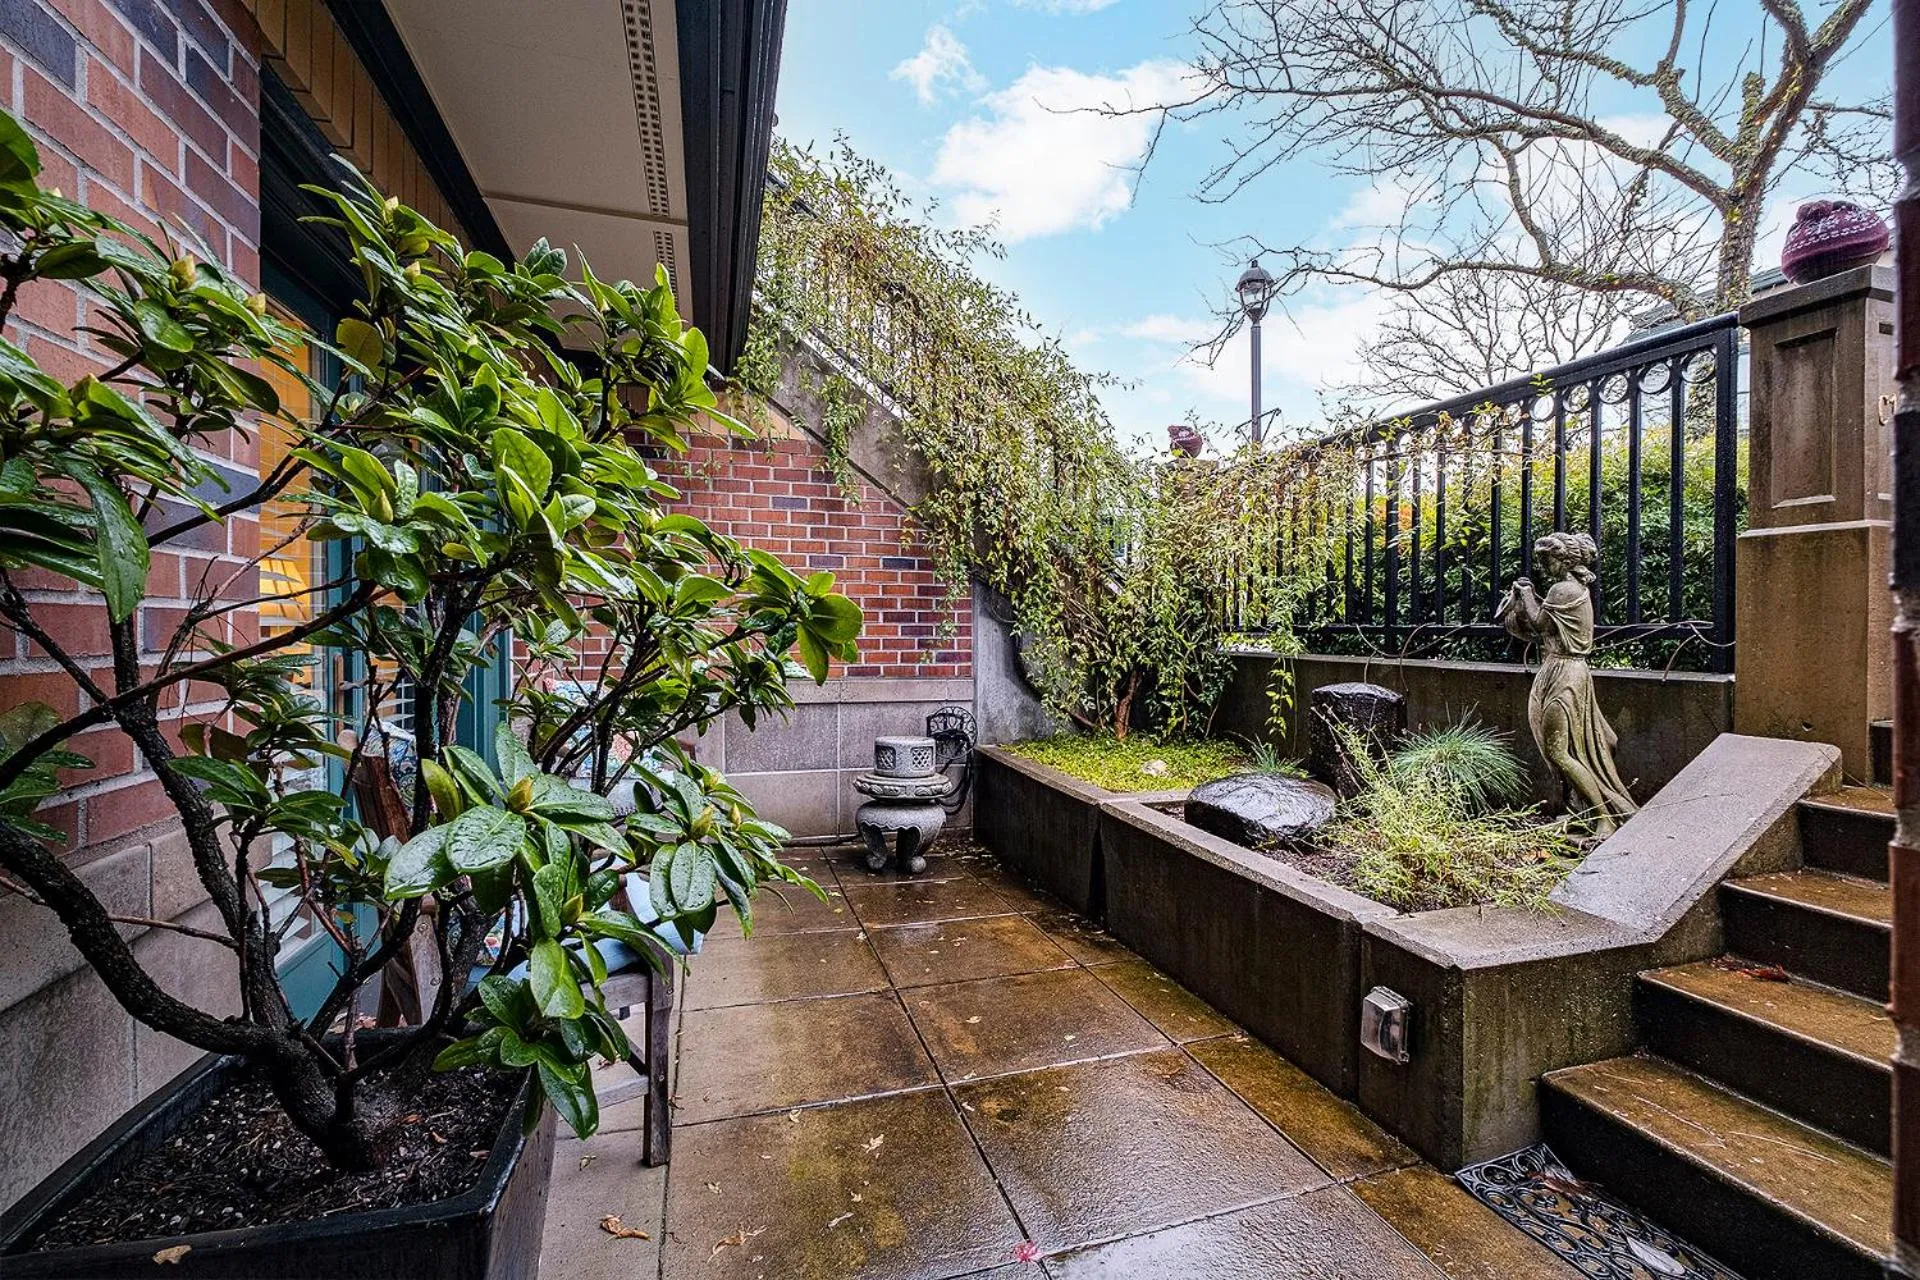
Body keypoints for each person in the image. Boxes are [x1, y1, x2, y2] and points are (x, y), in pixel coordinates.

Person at [1498, 531, 1638, 834]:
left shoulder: (1563, 589)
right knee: (1571, 747)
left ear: (1563, 560)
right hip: (1564, 671)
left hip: (1565, 675)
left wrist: (1526, 594)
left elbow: (1539, 623)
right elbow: (1546, 631)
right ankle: (1581, 811)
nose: (1543, 566)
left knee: (1559, 751)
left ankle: (1603, 818)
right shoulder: (1572, 589)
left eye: (1546, 559)